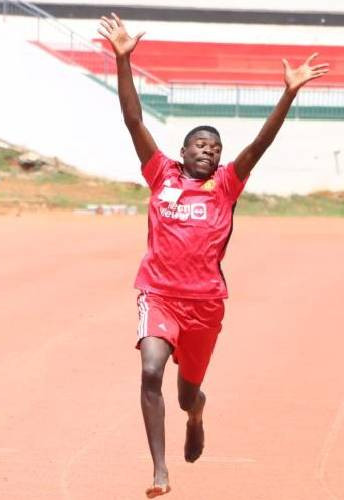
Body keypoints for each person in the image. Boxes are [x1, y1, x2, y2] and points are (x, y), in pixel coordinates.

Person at [98, 13, 329, 497]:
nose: (208, 151)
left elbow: (260, 144)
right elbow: (133, 120)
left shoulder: (225, 185)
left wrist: (288, 93)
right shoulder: (161, 175)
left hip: (204, 304)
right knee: (150, 371)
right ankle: (160, 471)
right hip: (158, 295)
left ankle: (196, 413)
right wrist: (123, 60)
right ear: (182, 151)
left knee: (186, 394)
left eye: (215, 148)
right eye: (200, 145)